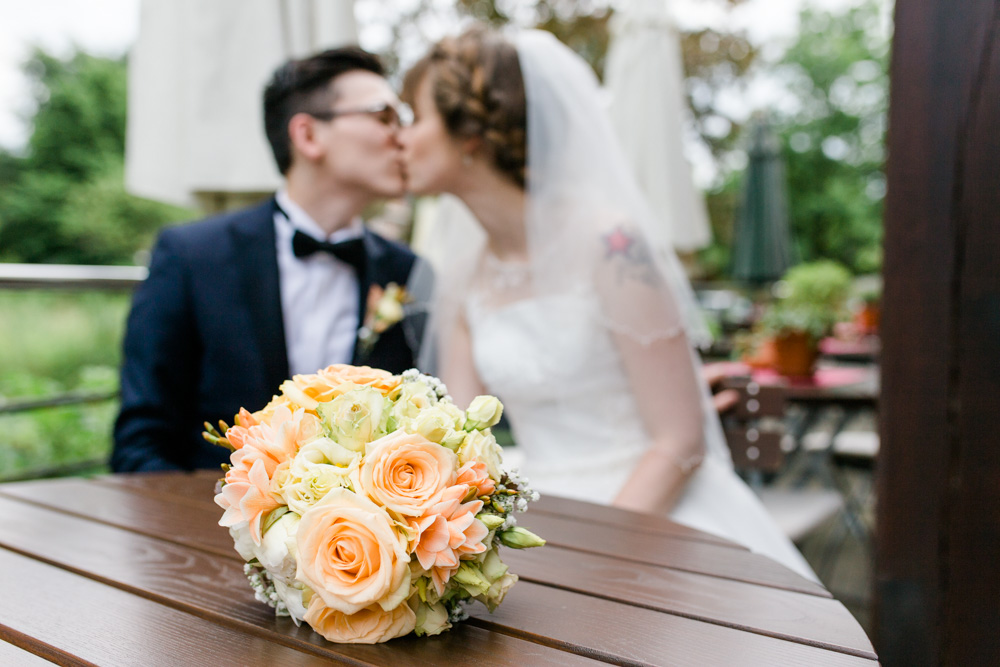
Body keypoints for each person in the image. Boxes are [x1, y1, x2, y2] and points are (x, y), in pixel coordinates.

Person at [398, 27, 816, 581]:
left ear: (470, 134)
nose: (400, 138)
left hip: (652, 516)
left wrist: (590, 560)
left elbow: (680, 440)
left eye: (414, 117)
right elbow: (458, 441)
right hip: (539, 517)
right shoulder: (465, 274)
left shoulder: (613, 246)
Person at [112, 47, 421, 473]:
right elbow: (141, 440)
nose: (402, 137)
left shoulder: (407, 272)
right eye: (384, 116)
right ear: (309, 135)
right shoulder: (191, 256)